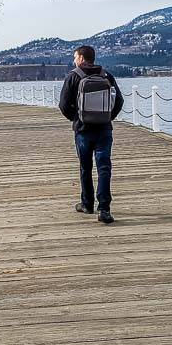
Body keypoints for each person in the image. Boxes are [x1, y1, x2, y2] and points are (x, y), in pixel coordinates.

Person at [59, 45, 124, 224]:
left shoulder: (73, 76)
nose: (74, 60)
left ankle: (87, 203)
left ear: (81, 58)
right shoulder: (106, 75)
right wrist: (108, 117)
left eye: (75, 57)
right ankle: (104, 209)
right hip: (104, 129)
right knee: (104, 168)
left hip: (83, 130)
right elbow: (119, 100)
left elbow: (63, 105)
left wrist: (77, 119)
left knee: (85, 167)